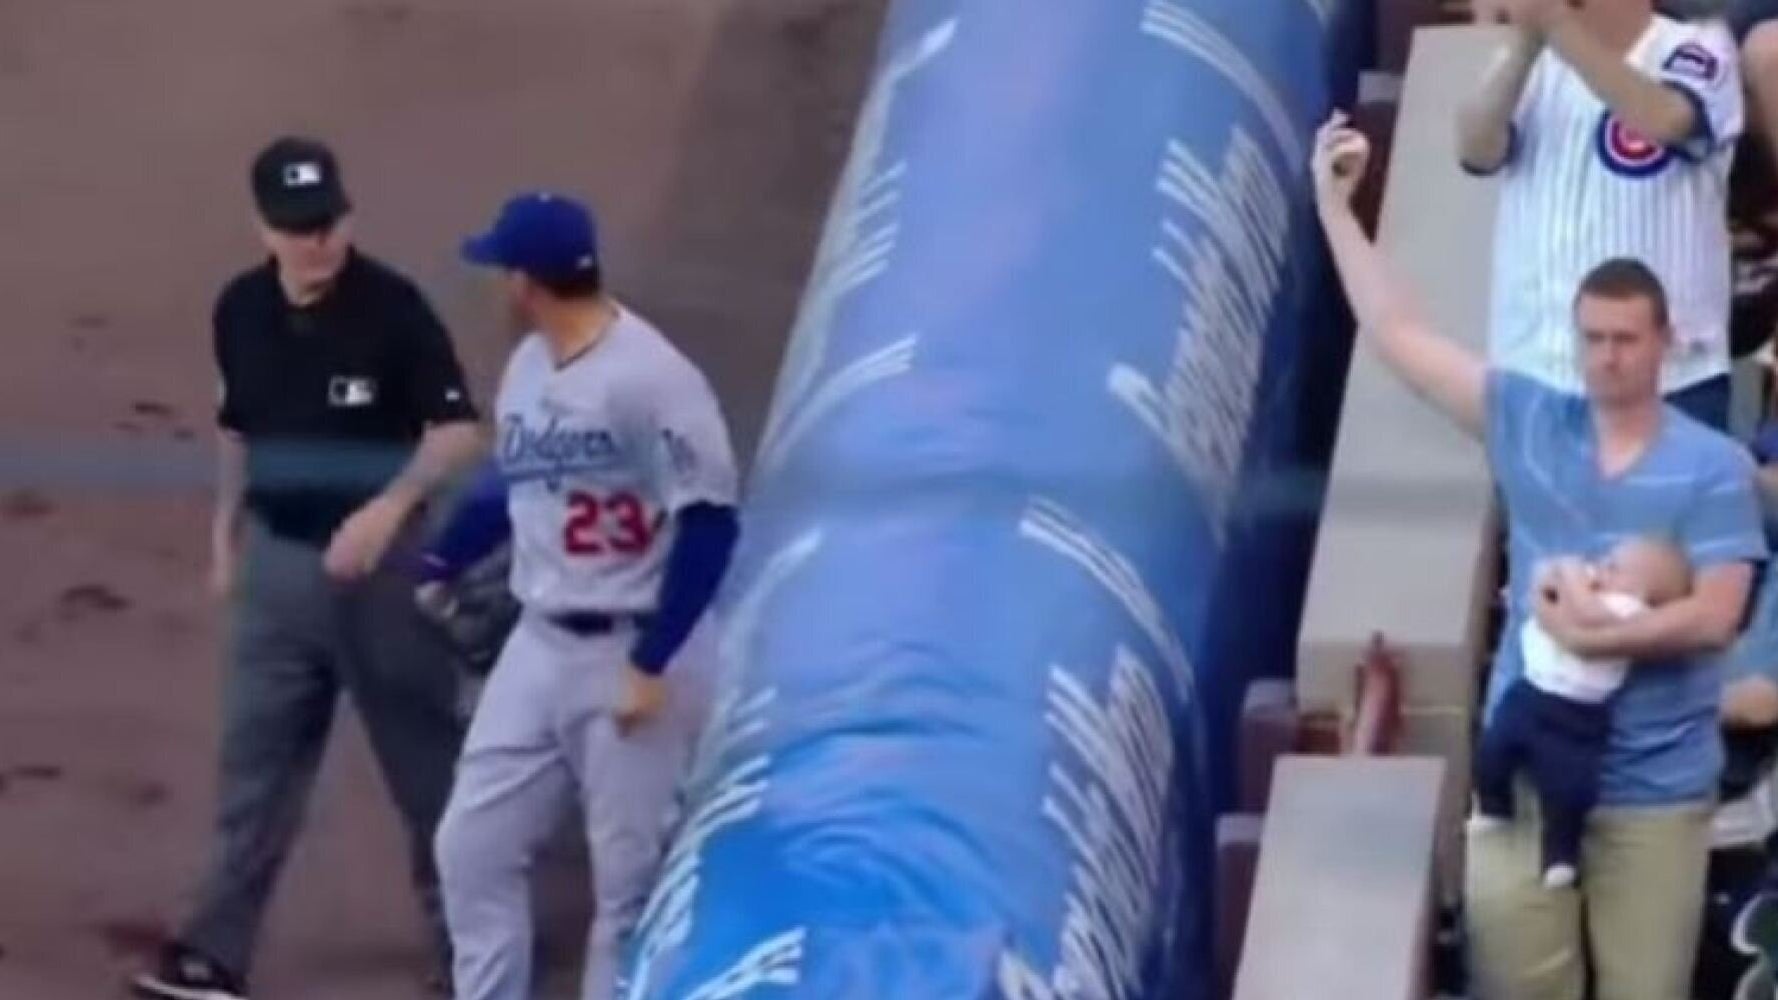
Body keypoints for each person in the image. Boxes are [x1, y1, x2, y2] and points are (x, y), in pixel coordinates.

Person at [1316, 112, 1765, 1000]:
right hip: (1522, 781)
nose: (1606, 357)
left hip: (1655, 793)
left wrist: (1600, 639)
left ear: (1665, 342)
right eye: (1592, 338)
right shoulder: (1531, 420)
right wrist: (1337, 209)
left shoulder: (1711, 466)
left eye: (1625, 339)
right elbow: (1402, 335)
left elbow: (1716, 614)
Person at [131, 137, 484, 1000]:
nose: (314, 240)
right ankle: (214, 954)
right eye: (295, 227)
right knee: (254, 769)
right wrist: (225, 534)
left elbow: (456, 431)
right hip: (278, 574)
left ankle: (473, 960)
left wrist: (388, 507)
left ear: (347, 215)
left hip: (382, 577)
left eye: (325, 222)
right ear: (263, 227)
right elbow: (236, 426)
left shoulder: (394, 309)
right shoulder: (239, 309)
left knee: (427, 771)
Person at [421, 192, 741, 1000]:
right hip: (540, 642)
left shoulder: (655, 380)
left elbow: (709, 523)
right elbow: (512, 483)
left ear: (527, 282)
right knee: (472, 850)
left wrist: (653, 659)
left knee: (627, 896)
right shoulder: (531, 367)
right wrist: (439, 558)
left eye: (504, 271)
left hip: (635, 647)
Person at [1458, 0, 1744, 428]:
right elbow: (1475, 150)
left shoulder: (1698, 46)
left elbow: (1667, 120)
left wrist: (1558, 26)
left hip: (1670, 384)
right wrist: (1525, 45)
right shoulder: (1531, 61)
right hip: (1535, 374)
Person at [1473, 537, 1695, 889]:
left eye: (1615, 569)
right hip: (1531, 691)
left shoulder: (1630, 612)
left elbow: (1587, 615)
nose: (1601, 569)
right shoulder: (1594, 593)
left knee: (1568, 790)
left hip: (1576, 714)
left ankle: (1560, 855)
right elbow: (1544, 590)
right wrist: (1553, 578)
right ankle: (1494, 805)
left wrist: (1570, 573)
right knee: (1493, 750)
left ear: (1642, 592)